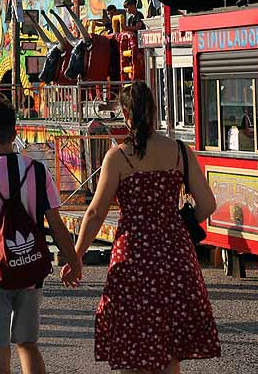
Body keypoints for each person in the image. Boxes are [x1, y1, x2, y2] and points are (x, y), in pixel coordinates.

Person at [72, 83, 221, 372]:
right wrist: (178, 222)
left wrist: (76, 254)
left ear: (125, 114)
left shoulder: (118, 156)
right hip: (174, 254)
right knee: (169, 347)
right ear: (153, 112)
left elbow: (95, 212)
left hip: (133, 255)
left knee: (131, 342)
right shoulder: (179, 151)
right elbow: (208, 205)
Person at [0, 98, 81, 374]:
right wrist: (73, 260)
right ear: (16, 132)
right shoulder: (37, 171)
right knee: (27, 343)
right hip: (29, 268)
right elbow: (56, 224)